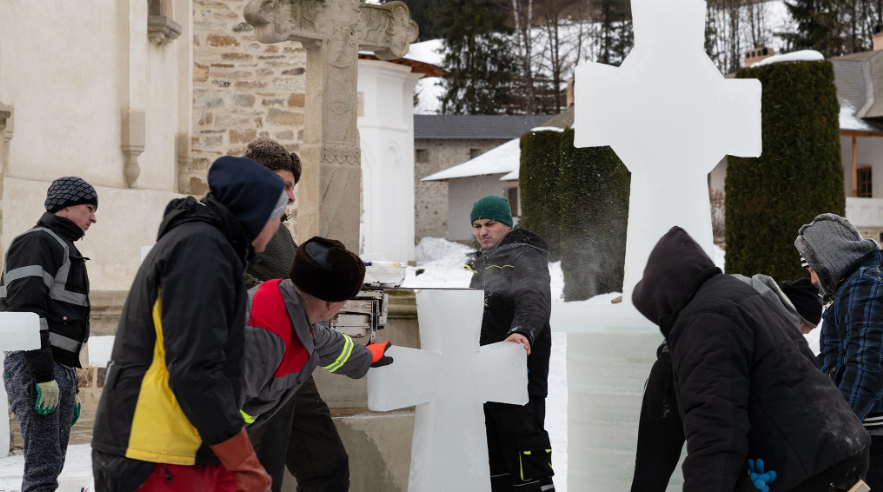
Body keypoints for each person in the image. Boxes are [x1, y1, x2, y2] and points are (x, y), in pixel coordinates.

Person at [91, 156, 287, 492]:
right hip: (155, 451)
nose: (280, 226)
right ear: (256, 215)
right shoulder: (203, 250)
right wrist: (242, 460)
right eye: (278, 216)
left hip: (183, 444)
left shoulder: (210, 246)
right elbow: (195, 370)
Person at [632, 227, 869, 492]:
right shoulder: (737, 296)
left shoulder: (704, 321)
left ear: (664, 299)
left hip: (812, 470)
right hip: (838, 448)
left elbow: (716, 433)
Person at [630, 272, 824, 492]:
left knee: (659, 467)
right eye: (803, 329)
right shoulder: (763, 315)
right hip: (681, 374)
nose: (801, 336)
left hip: (682, 370)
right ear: (794, 315)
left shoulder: (749, 299)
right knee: (664, 467)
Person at [241, 137, 355, 492]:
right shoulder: (235, 222)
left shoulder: (279, 229)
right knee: (257, 477)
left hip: (294, 367)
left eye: (292, 187)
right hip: (256, 366)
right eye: (284, 185)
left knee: (328, 467)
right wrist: (281, 304)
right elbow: (227, 280)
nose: (292, 196)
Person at [242, 237, 393, 480]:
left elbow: (321, 340)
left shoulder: (286, 301)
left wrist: (365, 357)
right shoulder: (263, 337)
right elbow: (212, 413)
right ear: (331, 303)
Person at [0, 177, 98, 492]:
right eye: (89, 208)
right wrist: (44, 376)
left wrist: (68, 381)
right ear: (66, 206)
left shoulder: (60, 245)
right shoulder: (38, 242)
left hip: (55, 369)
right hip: (36, 368)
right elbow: (27, 312)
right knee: (42, 472)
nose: (94, 218)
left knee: (50, 467)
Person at [466, 195, 555, 492]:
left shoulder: (524, 255)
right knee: (496, 459)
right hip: (489, 373)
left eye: (490, 224)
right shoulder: (485, 262)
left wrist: (521, 332)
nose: (483, 231)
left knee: (525, 455)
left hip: (520, 373)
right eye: (477, 225)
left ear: (507, 223)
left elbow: (535, 297)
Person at [795, 213, 883, 489]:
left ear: (830, 258)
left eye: (812, 268)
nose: (812, 280)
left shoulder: (866, 285)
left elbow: (867, 367)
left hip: (872, 434)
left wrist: (838, 433)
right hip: (865, 429)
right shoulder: (854, 285)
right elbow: (842, 359)